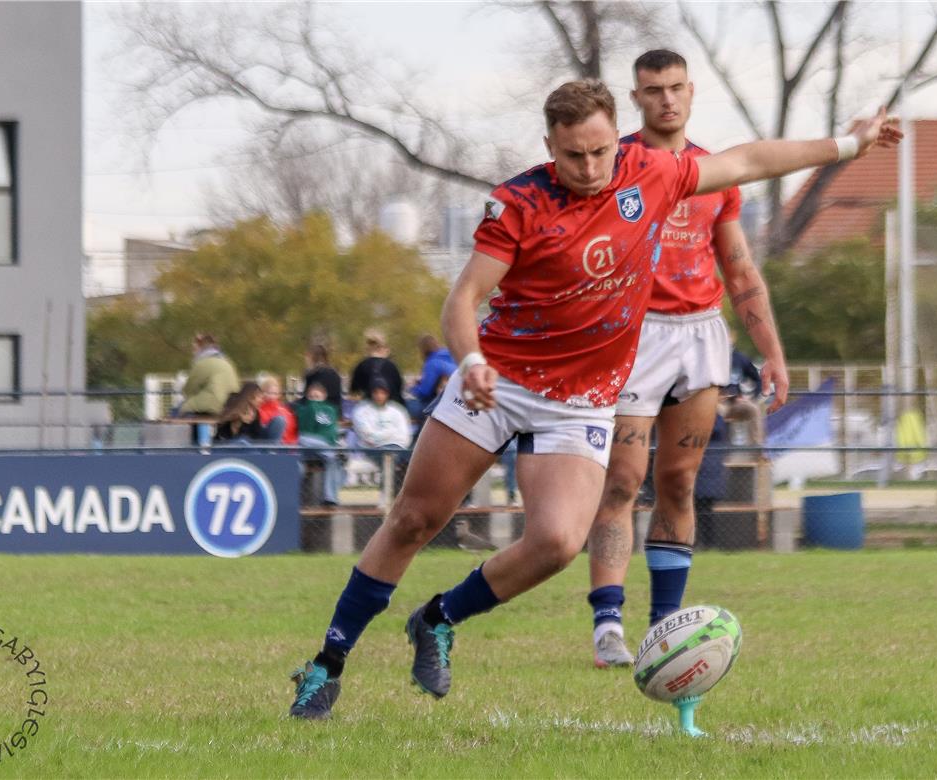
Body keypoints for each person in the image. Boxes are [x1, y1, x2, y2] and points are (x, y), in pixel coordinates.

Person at [284, 76, 901, 720]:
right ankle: (327, 663)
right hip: (499, 380)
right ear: (550, 145)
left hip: (579, 400)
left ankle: (438, 618)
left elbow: (747, 160)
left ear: (617, 139)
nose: (589, 167)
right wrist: (471, 361)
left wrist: (846, 145)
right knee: (414, 519)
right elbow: (462, 299)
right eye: (573, 154)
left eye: (600, 151)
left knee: (556, 543)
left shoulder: (652, 172)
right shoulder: (518, 202)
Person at [582, 50, 790, 668]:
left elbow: (740, 269)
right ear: (636, 98)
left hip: (700, 336)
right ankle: (607, 625)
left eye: (676, 87)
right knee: (622, 479)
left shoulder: (715, 174)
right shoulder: (614, 164)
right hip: (633, 334)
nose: (666, 99)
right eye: (654, 90)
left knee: (678, 482)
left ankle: (662, 629)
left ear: (691, 92)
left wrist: (772, 353)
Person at [295, 382, 344, 507]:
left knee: (334, 460)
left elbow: (330, 433)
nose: (314, 401)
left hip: (324, 448)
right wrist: (310, 408)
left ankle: (330, 498)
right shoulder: (302, 409)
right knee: (302, 442)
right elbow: (303, 431)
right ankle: (294, 499)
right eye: (311, 397)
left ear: (324, 396)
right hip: (304, 446)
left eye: (317, 397)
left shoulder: (330, 409)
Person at [177, 333, 239, 416]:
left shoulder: (203, 362)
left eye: (194, 349)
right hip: (232, 405)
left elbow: (188, 390)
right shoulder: (227, 361)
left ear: (200, 347)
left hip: (214, 405)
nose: (193, 353)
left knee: (181, 407)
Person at [350, 380, 412, 451]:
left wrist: (381, 436)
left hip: (396, 449)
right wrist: (391, 432)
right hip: (370, 452)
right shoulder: (360, 410)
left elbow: (405, 438)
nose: (379, 396)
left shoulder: (397, 410)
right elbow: (369, 438)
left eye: (383, 393)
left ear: (388, 394)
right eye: (376, 392)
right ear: (370, 393)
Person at [407, 335, 456, 419]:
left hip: (440, 404)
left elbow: (424, 392)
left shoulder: (432, 363)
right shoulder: (450, 355)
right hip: (455, 400)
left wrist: (412, 388)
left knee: (406, 404)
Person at [349, 330, 405, 403]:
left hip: (369, 404)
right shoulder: (392, 366)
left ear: (367, 348)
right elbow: (399, 388)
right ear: (383, 347)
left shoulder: (361, 366)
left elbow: (355, 391)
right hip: (390, 405)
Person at [303, 345, 345, 414]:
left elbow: (307, 399)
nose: (305, 360)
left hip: (319, 413)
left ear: (312, 357)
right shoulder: (334, 373)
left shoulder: (313, 375)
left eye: (307, 357)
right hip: (335, 412)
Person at [257, 374, 298, 444]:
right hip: (272, 445)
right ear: (262, 393)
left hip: (288, 446)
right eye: (269, 393)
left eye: (275, 393)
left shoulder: (285, 411)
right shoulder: (258, 411)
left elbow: (293, 431)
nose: (272, 396)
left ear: (278, 394)